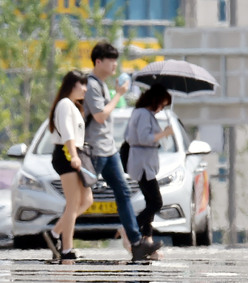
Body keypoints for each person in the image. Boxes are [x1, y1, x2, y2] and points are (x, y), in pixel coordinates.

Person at [83, 41, 162, 261]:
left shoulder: (102, 85)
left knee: (123, 192)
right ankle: (59, 233)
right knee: (80, 197)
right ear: (98, 61)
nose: (115, 65)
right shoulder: (91, 85)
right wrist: (119, 94)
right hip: (96, 151)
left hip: (109, 150)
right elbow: (100, 116)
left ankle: (136, 243)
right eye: (111, 60)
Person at [44, 70, 94, 260]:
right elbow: (67, 133)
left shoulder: (72, 105)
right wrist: (74, 156)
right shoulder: (65, 104)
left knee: (87, 200)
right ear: (71, 85)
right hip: (67, 155)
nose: (85, 89)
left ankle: (55, 233)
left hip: (75, 155)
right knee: (73, 204)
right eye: (82, 84)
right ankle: (66, 250)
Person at [124, 84, 173, 259]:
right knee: (156, 202)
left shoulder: (143, 114)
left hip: (145, 162)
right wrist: (164, 133)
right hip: (143, 163)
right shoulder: (143, 114)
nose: (161, 109)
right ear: (155, 101)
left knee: (150, 202)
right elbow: (144, 138)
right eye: (161, 104)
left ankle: (147, 242)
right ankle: (130, 228)